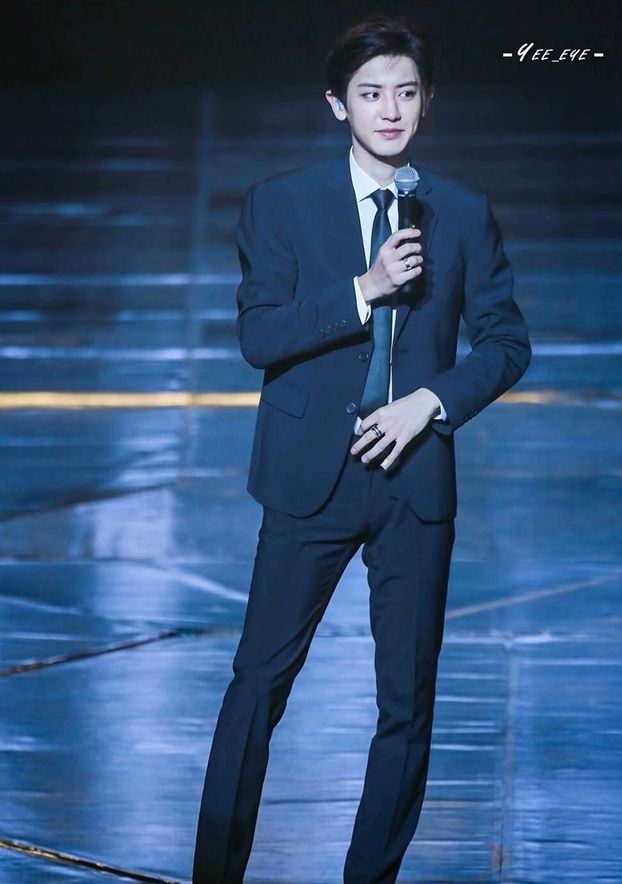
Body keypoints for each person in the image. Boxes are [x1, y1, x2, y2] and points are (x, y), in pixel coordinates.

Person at [192, 14, 531, 884]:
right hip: (313, 477)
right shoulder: (282, 203)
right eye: (371, 94)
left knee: (407, 706)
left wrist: (431, 402)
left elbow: (505, 343)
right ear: (337, 104)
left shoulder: (461, 214)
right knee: (257, 687)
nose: (390, 110)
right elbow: (260, 336)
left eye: (406, 93)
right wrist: (363, 288)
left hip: (414, 480)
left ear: (427, 102)